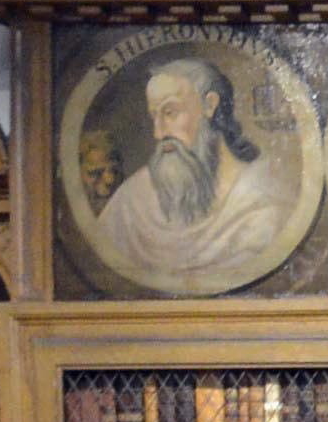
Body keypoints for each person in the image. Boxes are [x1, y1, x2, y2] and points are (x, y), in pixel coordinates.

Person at [82, 52, 302, 293]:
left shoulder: (265, 203)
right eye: (154, 116)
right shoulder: (131, 201)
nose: (158, 133)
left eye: (170, 113)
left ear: (209, 105)